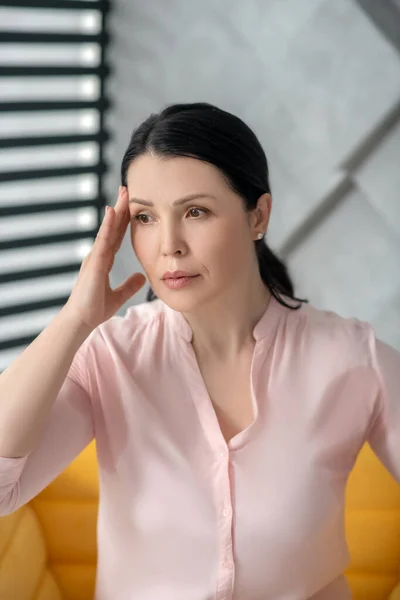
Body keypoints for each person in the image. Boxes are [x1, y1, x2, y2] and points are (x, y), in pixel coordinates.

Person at [0, 102, 399, 600]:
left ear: (258, 215)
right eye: (145, 217)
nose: (169, 245)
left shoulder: (352, 358)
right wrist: (73, 321)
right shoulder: (110, 357)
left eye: (195, 212)